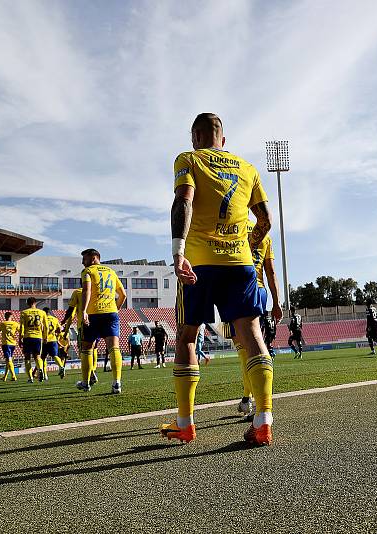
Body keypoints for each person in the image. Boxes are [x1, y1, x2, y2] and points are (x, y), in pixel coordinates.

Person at [162, 112, 274, 446]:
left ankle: (185, 424)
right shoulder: (248, 168)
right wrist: (247, 245)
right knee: (252, 334)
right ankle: (263, 421)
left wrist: (178, 251)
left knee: (187, 338)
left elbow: (184, 200)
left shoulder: (189, 159)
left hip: (199, 264)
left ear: (195, 136)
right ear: (222, 140)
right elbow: (266, 220)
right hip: (240, 264)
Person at [75, 248, 127, 394]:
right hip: (111, 313)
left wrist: (84, 310)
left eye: (84, 259)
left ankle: (85, 383)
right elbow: (123, 295)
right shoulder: (111, 271)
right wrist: (115, 309)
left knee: (87, 348)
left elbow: (87, 291)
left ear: (93, 258)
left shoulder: (88, 271)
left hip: (94, 314)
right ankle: (117, 383)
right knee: (114, 347)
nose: (82, 262)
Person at [62, 287, 98, 387]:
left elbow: (71, 314)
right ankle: (93, 370)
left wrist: (64, 325)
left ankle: (88, 376)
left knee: (84, 352)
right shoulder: (96, 290)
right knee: (94, 349)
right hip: (97, 323)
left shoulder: (78, 292)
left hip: (84, 325)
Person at [19, 297, 47, 383]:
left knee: (27, 358)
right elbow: (45, 326)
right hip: (38, 337)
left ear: (27, 303)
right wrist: (45, 337)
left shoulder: (24, 312)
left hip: (27, 337)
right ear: (35, 303)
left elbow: (22, 327)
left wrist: (20, 338)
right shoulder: (42, 312)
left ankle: (30, 378)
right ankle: (41, 369)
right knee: (37, 356)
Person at [0, 311, 20, 381]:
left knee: (8, 360)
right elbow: (20, 331)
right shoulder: (15, 324)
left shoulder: (2, 323)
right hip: (13, 344)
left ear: (5, 317)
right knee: (8, 360)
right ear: (11, 316)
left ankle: (13, 376)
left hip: (6, 343)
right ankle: (5, 377)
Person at [41, 307, 62, 381]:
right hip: (53, 340)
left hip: (44, 341)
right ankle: (61, 366)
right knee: (55, 356)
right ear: (49, 312)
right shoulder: (55, 319)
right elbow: (60, 329)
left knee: (43, 358)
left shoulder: (42, 319)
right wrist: (56, 334)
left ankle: (45, 375)